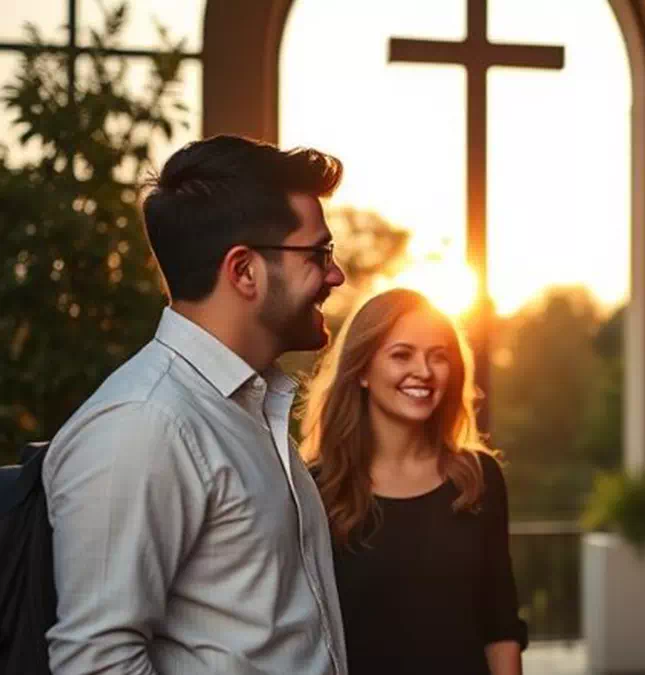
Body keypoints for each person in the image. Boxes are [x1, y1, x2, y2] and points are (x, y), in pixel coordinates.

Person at [41, 134, 350, 674]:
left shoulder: (249, 408)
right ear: (244, 271)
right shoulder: (145, 423)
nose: (335, 274)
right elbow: (97, 663)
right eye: (318, 253)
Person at [301, 288, 527, 675]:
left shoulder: (479, 478)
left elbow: (500, 623)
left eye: (438, 356)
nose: (423, 371)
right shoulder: (317, 488)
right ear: (363, 371)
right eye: (401, 354)